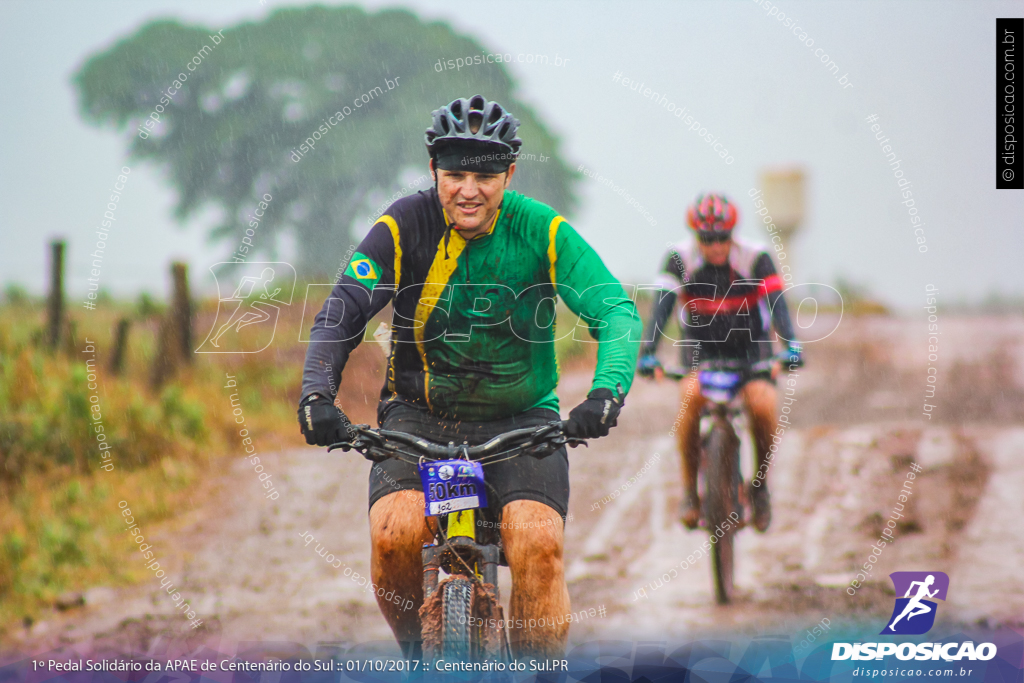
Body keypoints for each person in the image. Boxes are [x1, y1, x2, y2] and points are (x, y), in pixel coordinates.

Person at [297, 95, 641, 658]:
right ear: (434, 171)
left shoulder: (542, 230)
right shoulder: (403, 225)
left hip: (521, 420)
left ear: (509, 172)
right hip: (416, 416)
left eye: (484, 175)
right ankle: (420, 658)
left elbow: (616, 312)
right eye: (454, 174)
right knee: (394, 536)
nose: (468, 190)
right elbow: (342, 311)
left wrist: (607, 391)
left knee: (537, 544)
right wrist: (317, 393)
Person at [637, 193, 802, 532]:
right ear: (696, 236)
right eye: (707, 239)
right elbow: (661, 309)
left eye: (722, 238)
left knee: (763, 404)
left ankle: (760, 486)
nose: (715, 246)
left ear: (732, 234)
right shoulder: (678, 259)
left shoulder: (756, 258)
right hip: (701, 348)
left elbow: (777, 306)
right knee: (690, 399)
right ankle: (689, 492)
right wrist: (648, 352)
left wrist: (791, 346)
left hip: (749, 346)